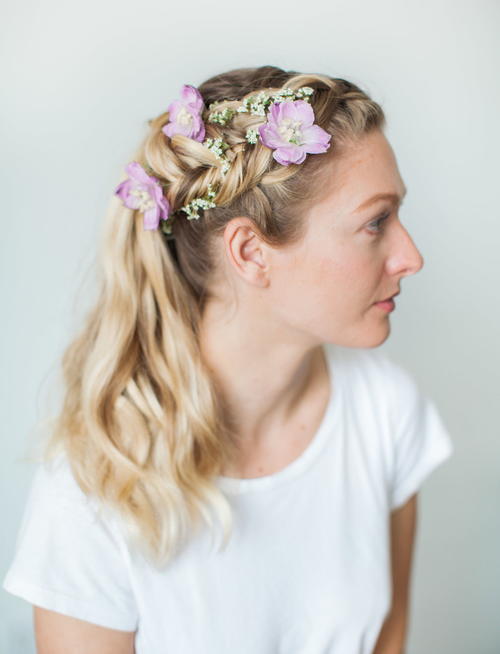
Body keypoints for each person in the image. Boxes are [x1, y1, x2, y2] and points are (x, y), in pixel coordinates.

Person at [3, 65, 454, 653]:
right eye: (376, 222)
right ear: (251, 252)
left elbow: (387, 642)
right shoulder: (96, 484)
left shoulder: (385, 412)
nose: (410, 256)